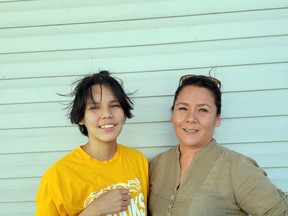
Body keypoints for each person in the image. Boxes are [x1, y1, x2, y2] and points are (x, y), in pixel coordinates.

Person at [149, 74, 288, 215]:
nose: (191, 118)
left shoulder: (237, 168)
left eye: (202, 110)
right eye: (183, 108)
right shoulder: (156, 164)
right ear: (172, 115)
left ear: (217, 119)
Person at [35, 71, 148, 216]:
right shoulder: (58, 177)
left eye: (114, 105)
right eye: (94, 108)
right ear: (80, 117)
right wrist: (95, 210)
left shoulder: (137, 160)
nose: (107, 114)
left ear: (124, 113)